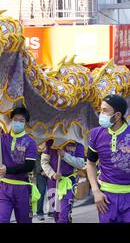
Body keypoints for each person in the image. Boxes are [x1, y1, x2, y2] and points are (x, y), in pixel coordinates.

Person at [0, 107, 39, 223]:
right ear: (11, 120)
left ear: (26, 123)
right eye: (15, 119)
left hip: (22, 188)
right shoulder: (3, 138)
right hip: (4, 187)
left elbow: (29, 166)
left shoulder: (30, 142)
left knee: (24, 220)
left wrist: (8, 169)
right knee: (1, 220)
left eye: (21, 121)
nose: (18, 123)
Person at [86, 94, 130, 223]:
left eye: (105, 110)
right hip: (106, 198)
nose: (101, 114)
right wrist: (95, 191)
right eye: (101, 110)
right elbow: (90, 163)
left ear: (117, 115)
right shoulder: (96, 134)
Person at [41, 138, 85, 223]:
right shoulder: (49, 142)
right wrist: (52, 174)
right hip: (53, 183)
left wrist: (65, 155)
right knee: (55, 213)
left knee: (64, 213)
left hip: (69, 183)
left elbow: (80, 164)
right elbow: (44, 162)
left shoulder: (78, 144)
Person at [34, 146, 48, 221]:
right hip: (41, 173)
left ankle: (52, 211)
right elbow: (36, 160)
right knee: (41, 192)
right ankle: (39, 212)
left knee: (52, 191)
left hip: (51, 172)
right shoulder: (38, 144)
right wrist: (41, 171)